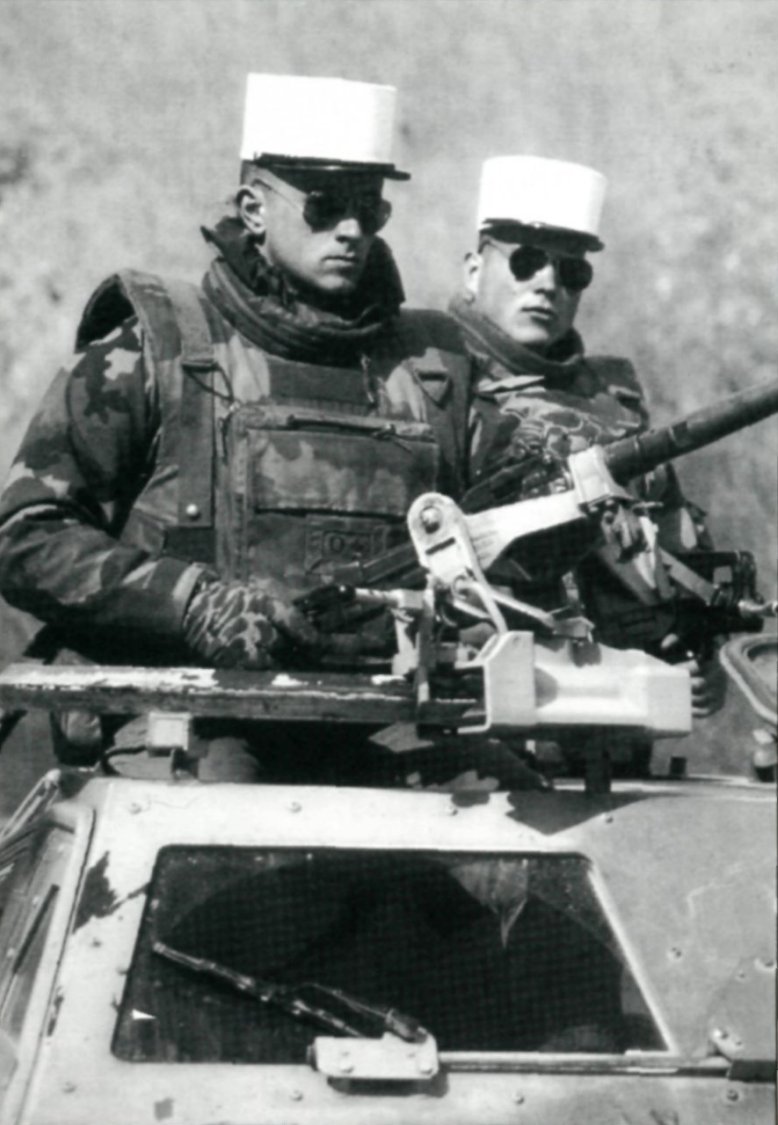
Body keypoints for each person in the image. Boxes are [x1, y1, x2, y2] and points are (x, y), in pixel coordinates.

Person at [0, 75, 478, 783]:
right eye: (324, 206)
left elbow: (507, 542)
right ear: (254, 207)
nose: (351, 229)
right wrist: (192, 602)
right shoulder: (156, 350)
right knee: (229, 848)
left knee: (519, 833)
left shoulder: (433, 371)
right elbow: (25, 533)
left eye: (369, 209)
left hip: (385, 720)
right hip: (190, 715)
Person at [449, 155, 723, 772]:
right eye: (524, 262)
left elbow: (673, 554)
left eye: (571, 272)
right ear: (473, 270)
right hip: (476, 732)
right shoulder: (427, 382)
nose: (547, 284)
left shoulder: (617, 400)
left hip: (612, 726)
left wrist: (701, 663)